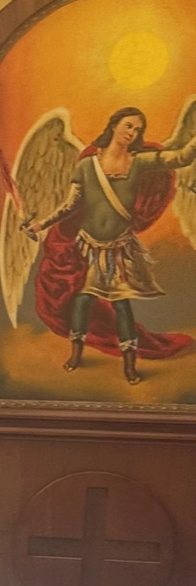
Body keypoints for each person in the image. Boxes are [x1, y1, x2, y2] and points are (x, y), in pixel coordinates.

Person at [25, 105, 196, 384]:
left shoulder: (139, 162)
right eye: (129, 125)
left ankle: (130, 366)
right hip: (88, 247)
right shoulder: (86, 166)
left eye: (138, 129)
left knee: (121, 304)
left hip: (119, 249)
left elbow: (182, 157)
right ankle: (76, 355)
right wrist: (41, 224)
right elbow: (71, 205)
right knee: (82, 302)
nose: (133, 132)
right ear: (114, 125)